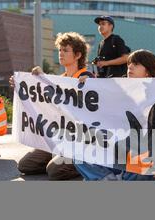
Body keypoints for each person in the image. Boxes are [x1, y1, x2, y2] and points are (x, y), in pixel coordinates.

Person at [74, 49, 155, 181]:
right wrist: (91, 85)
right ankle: (110, 179)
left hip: (150, 161)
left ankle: (106, 179)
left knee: (143, 167)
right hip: (122, 155)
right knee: (79, 154)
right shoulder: (121, 94)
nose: (130, 67)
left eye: (136, 64)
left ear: (148, 72)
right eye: (129, 64)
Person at [12, 32, 95, 180]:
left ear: (77, 55)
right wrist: (24, 84)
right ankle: (57, 158)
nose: (61, 54)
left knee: (55, 171)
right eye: (60, 50)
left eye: (65, 50)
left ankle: (85, 163)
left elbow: (99, 99)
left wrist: (92, 83)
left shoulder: (86, 76)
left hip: (78, 140)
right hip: (58, 137)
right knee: (25, 166)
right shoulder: (59, 80)